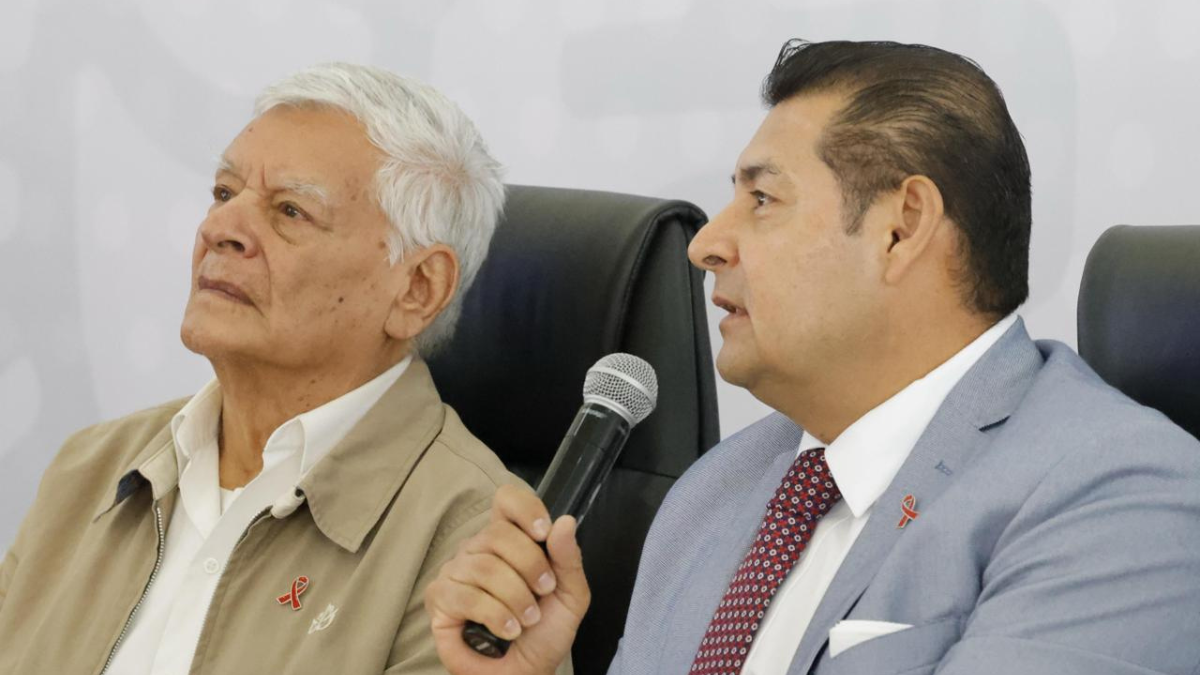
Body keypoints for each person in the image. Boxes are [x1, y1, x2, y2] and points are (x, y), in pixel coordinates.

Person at [425, 39, 1200, 675]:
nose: (705, 243)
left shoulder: (1119, 497)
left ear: (902, 227)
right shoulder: (711, 494)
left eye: (762, 200)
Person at [0, 63, 516, 674]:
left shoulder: (477, 545)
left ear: (417, 289)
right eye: (224, 193)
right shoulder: (89, 470)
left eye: (290, 210)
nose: (218, 228)